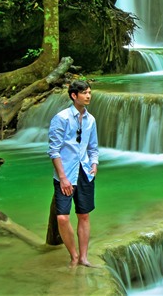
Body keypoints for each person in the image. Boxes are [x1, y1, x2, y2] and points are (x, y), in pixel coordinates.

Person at [47, 80, 99, 267]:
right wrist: (62, 177)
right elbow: (54, 151)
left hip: (84, 171)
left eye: (89, 92)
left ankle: (84, 257)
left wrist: (94, 163)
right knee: (62, 217)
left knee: (84, 215)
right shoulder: (61, 118)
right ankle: (74, 255)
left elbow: (93, 147)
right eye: (84, 93)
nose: (88, 96)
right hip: (66, 174)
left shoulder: (90, 120)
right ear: (73, 96)